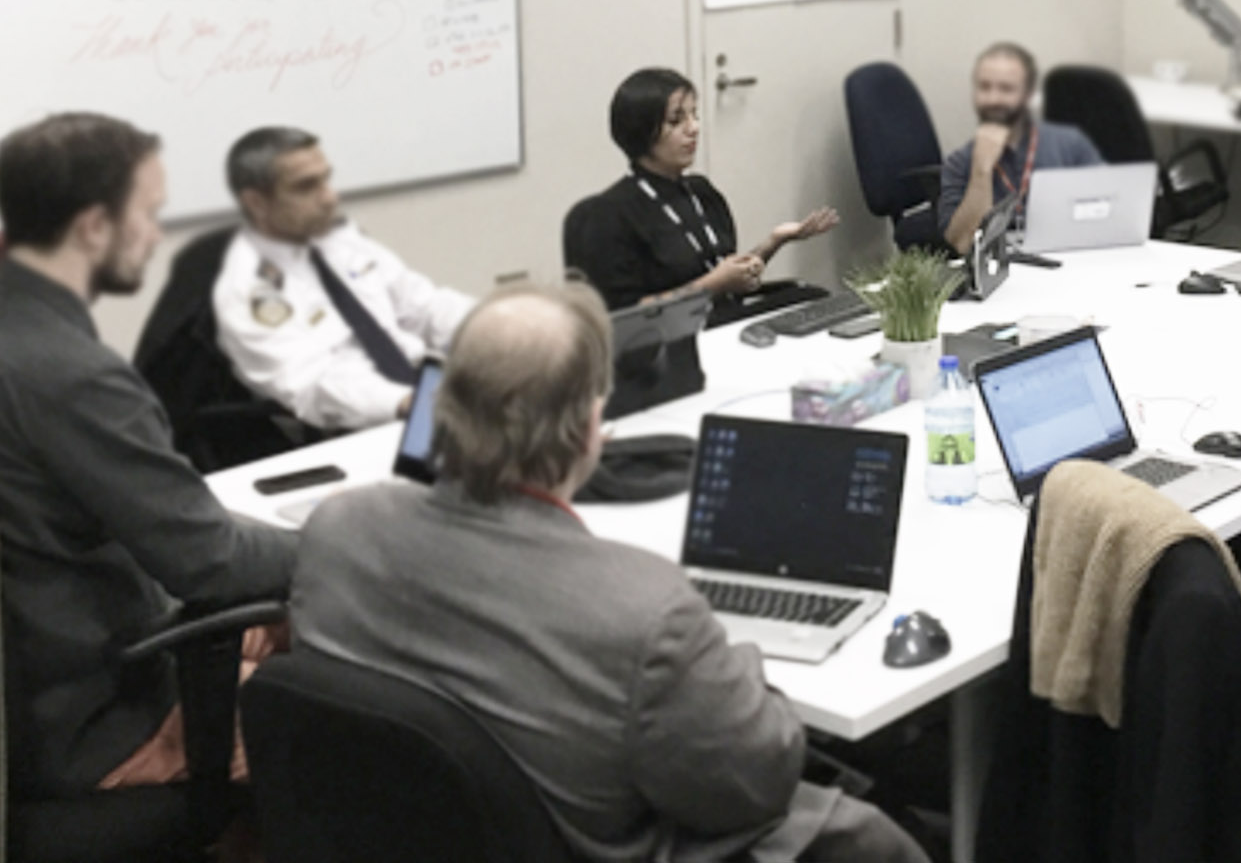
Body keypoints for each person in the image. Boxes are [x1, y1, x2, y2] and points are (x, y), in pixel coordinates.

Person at [290, 281, 929, 863]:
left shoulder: (335, 530)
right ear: (590, 430)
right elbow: (758, 786)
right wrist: (744, 662)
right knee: (867, 836)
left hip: (398, 837)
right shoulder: (643, 610)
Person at [0, 112, 296, 796]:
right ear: (94, 227)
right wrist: (342, 538)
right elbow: (210, 561)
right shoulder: (72, 375)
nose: (157, 235)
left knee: (273, 630)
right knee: (352, 723)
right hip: (100, 724)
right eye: (148, 214)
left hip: (39, 700)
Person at [213, 126, 474, 432]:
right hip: (364, 425)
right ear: (256, 203)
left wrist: (502, 329)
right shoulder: (246, 291)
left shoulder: (337, 240)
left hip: (427, 392)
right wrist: (410, 403)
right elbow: (316, 388)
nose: (329, 197)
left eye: (326, 179)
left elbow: (425, 307)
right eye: (306, 186)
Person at [564, 67, 840, 324]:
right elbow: (626, 319)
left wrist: (774, 242)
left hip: (725, 321)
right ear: (641, 131)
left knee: (814, 299)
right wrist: (714, 285)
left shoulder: (700, 192)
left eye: (694, 115)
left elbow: (724, 276)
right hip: (670, 345)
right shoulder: (607, 215)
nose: (693, 128)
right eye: (676, 120)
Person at [937, 41, 1103, 253]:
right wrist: (981, 170)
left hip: (1068, 259)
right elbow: (963, 244)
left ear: (1028, 94)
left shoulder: (1071, 144)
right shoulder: (959, 161)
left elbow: (1107, 213)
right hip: (997, 273)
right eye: (984, 87)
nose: (993, 99)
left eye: (1006, 89)